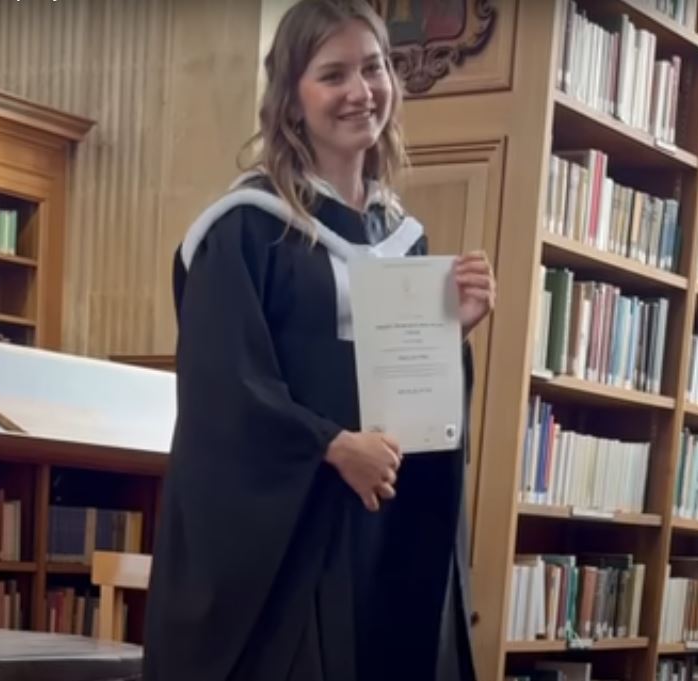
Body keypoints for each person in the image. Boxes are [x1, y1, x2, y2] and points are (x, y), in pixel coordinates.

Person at [141, 0, 496, 680]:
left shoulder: (402, 237)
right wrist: (331, 446)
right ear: (291, 100)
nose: (361, 91)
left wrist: (449, 334)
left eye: (374, 68)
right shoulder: (245, 229)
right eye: (333, 75)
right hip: (291, 545)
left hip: (380, 533)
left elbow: (405, 398)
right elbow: (225, 390)